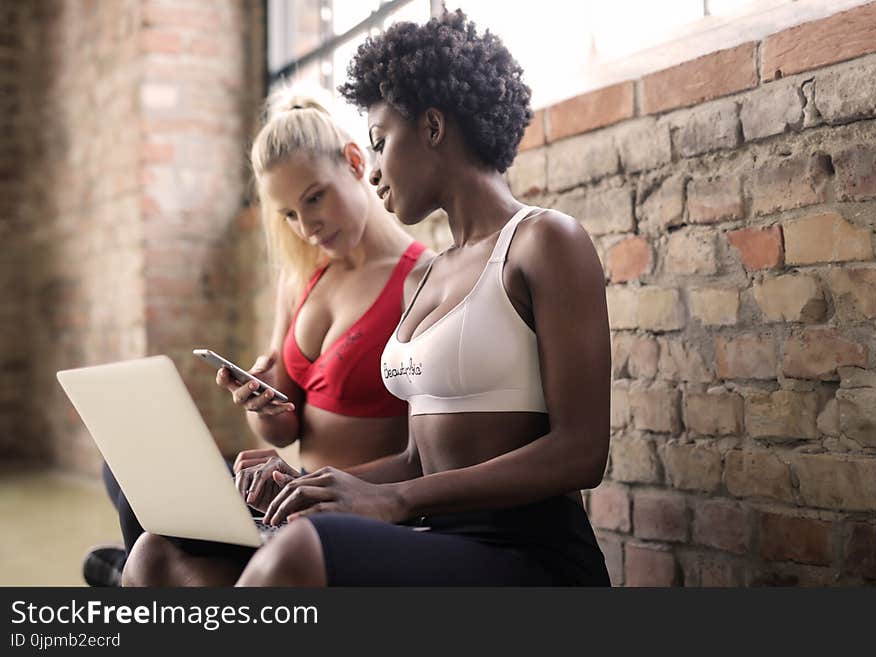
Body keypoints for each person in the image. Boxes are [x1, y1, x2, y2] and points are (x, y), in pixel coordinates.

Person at [122, 10, 611, 587]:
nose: (374, 170)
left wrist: (399, 500)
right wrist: (310, 481)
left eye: (379, 143)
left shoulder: (545, 241)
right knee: (157, 554)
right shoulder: (427, 279)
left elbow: (582, 453)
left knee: (299, 552)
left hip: (528, 550)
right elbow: (417, 458)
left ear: (432, 127)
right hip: (435, 531)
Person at [83, 91, 430, 586]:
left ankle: (129, 575)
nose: (306, 227)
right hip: (285, 496)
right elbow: (284, 430)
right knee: (127, 472)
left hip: (340, 508)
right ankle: (143, 569)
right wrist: (260, 403)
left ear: (356, 161)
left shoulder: (421, 281)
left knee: (155, 546)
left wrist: (312, 485)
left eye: (314, 198)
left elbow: (425, 456)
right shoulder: (302, 281)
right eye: (289, 214)